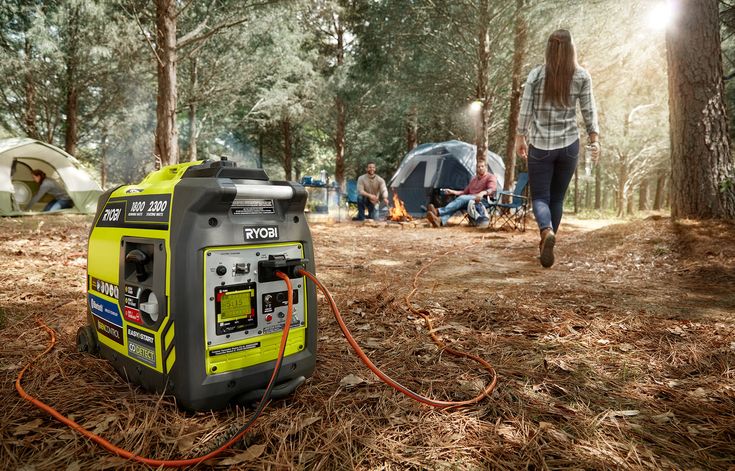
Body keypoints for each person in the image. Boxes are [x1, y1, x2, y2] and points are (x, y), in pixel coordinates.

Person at [515, 29, 600, 268]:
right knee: (557, 199)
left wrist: (520, 137)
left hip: (541, 146)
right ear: (572, 49)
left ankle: (546, 232)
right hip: (569, 146)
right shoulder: (581, 76)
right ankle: (547, 240)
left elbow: (525, 110)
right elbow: (589, 110)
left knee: (540, 197)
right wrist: (594, 138)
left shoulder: (536, 75)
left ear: (548, 49)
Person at [426, 160, 496, 228]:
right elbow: (464, 192)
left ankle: (438, 211)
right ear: (476, 168)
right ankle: (440, 221)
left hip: (483, 200)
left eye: (482, 166)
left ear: (486, 167)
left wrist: (483, 193)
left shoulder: (490, 177)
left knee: (462, 198)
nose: (480, 168)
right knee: (458, 204)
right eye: (478, 167)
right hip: (470, 201)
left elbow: (492, 189)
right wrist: (452, 192)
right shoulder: (474, 179)